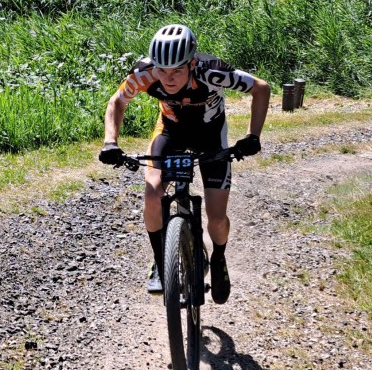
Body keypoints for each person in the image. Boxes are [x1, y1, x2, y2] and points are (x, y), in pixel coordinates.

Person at [98, 24, 270, 302]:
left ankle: (218, 259)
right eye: (162, 70)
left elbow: (261, 88)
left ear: (192, 62)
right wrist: (110, 142)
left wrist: (253, 136)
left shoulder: (212, 71)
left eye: (177, 70)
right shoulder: (144, 73)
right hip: (170, 131)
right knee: (153, 194)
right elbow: (116, 103)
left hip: (211, 134)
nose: (168, 78)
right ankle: (159, 263)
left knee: (216, 217)